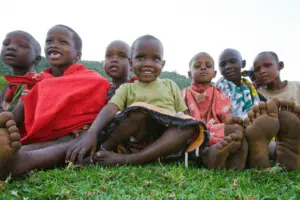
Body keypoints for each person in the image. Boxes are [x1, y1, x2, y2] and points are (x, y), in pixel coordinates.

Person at [66, 35, 246, 170]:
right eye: (141, 57)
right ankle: (99, 153)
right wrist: (92, 133)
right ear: (131, 62)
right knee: (138, 113)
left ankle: (130, 161)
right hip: (135, 136)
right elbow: (111, 108)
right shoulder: (128, 88)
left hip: (162, 140)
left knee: (190, 126)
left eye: (155, 59)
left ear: (163, 64)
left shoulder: (170, 85)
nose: (148, 63)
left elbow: (183, 116)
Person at [0, 25, 109, 179]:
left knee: (73, 141)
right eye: (49, 41)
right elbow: (23, 110)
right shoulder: (39, 81)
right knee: (21, 143)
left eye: (63, 42)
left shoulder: (92, 78)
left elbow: (99, 99)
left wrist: (86, 128)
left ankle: (20, 162)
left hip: (75, 135)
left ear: (77, 56)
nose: (53, 44)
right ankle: (10, 155)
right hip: (39, 135)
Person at [182, 52, 248, 170]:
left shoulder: (221, 95)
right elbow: (181, 117)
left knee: (234, 130)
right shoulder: (183, 94)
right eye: (197, 66)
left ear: (214, 73)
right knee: (184, 132)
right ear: (189, 74)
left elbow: (226, 119)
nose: (203, 68)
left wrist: (231, 124)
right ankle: (212, 153)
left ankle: (224, 154)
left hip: (216, 129)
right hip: (194, 129)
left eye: (208, 66)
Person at [0, 31, 42, 111]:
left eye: (22, 45)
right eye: (6, 44)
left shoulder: (33, 84)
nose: (10, 47)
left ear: (36, 59)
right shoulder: (10, 83)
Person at [216, 49, 260, 118]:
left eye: (232, 62)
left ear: (243, 64)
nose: (227, 67)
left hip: (254, 123)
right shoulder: (217, 90)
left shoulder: (249, 86)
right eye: (222, 64)